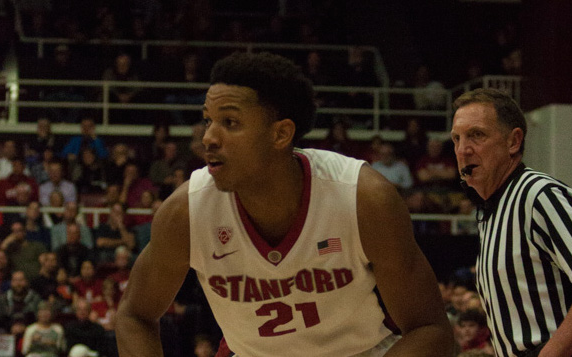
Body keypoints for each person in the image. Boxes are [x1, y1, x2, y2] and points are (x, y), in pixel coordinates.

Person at [116, 51, 453, 356]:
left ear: (280, 134)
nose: (208, 138)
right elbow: (134, 315)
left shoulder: (362, 198)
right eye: (208, 120)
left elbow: (431, 331)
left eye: (229, 122)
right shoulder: (185, 212)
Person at [450, 88, 572, 356]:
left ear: (514, 141)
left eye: (476, 135)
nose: (462, 150)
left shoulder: (539, 195)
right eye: (456, 138)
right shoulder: (490, 212)